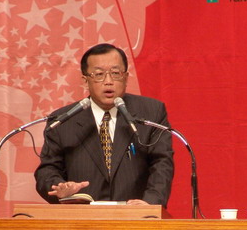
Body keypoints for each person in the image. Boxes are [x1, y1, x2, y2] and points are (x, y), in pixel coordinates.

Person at [34, 44, 174, 207]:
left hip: (136, 215)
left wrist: (150, 203)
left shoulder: (151, 112)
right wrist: (60, 188)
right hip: (81, 217)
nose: (108, 81)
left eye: (115, 73)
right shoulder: (63, 120)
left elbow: (162, 163)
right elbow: (47, 170)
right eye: (99, 74)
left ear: (126, 77)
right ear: (85, 80)